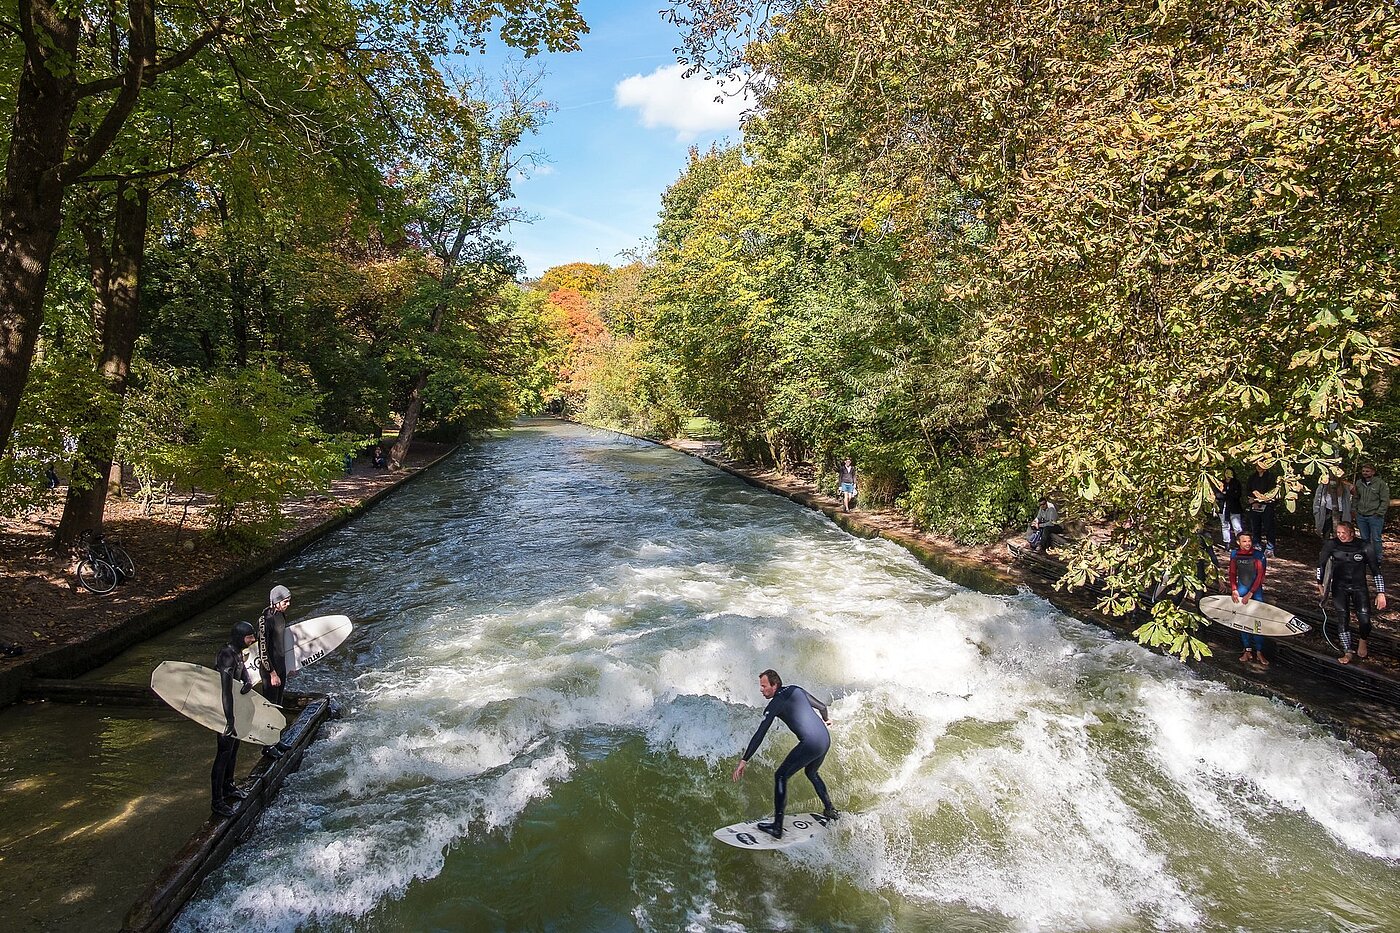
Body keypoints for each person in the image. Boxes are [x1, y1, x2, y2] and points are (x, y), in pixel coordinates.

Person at [731, 669, 839, 839]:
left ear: (774, 685)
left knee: (780, 776)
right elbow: (822, 707)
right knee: (811, 772)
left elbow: (760, 733)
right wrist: (826, 720)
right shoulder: (796, 689)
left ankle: (777, 827)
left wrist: (744, 760)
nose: (761, 689)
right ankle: (830, 809)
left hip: (810, 743)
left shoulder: (775, 703)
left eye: (764, 686)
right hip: (825, 739)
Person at [1316, 521, 1387, 664]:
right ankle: (1347, 650)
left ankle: (1363, 640)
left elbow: (1376, 570)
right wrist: (1320, 584)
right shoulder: (1332, 545)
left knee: (1364, 619)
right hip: (1339, 586)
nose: (1340, 536)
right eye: (1338, 533)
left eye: (1344, 533)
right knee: (1343, 618)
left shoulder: (1364, 546)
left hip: (1359, 587)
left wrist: (1381, 592)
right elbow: (1321, 564)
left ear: (1352, 533)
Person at [212, 621, 257, 818]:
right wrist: (229, 720)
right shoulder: (226, 656)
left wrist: (248, 680)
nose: (253, 640)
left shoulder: (238, 652)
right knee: (223, 754)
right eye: (249, 637)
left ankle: (229, 785)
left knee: (234, 750)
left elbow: (243, 669)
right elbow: (225, 691)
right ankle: (217, 801)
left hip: (234, 709)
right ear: (240, 637)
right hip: (224, 712)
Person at [256, 585, 293, 757]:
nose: (288, 604)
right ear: (276, 602)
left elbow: (282, 644)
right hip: (269, 670)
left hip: (281, 666)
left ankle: (276, 740)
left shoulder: (281, 615)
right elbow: (263, 650)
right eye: (285, 601)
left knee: (278, 706)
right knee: (270, 707)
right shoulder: (265, 620)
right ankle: (267, 746)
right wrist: (271, 673)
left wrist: (289, 666)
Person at [1223, 531, 1269, 667]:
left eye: (1249, 541)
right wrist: (1234, 589)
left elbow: (1260, 576)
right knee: (1242, 619)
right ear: (1238, 542)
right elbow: (1232, 573)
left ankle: (1259, 651)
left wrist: (1251, 593)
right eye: (1244, 541)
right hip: (1241, 589)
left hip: (1256, 591)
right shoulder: (1234, 554)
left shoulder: (1258, 555)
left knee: (1257, 622)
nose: (1247, 544)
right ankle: (1247, 650)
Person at [1350, 463, 1389, 567]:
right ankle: (1366, 557)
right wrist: (1354, 509)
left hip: (1374, 516)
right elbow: (1356, 497)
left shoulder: (1380, 484)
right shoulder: (1359, 483)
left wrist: (1379, 513)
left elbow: (1385, 500)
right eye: (1363, 471)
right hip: (1361, 515)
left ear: (1373, 472)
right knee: (1364, 538)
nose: (1365, 473)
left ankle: (1377, 559)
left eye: (1367, 471)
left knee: (1376, 538)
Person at [1245, 462, 1279, 555]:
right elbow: (1248, 490)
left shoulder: (1271, 477)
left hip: (1267, 505)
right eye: (1257, 466)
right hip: (1254, 505)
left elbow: (1273, 492)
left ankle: (1270, 548)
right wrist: (1253, 501)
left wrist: (1263, 500)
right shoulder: (1252, 477)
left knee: (1269, 527)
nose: (1259, 468)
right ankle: (1256, 545)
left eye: (1261, 466)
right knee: (1255, 526)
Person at [1216, 468, 1244, 546]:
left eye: (1230, 473)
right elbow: (1218, 495)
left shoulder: (1236, 483)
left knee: (1237, 526)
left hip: (1234, 507)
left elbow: (1237, 495)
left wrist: (1226, 494)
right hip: (1223, 507)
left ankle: (1240, 543)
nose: (1228, 475)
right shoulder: (1221, 483)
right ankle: (1226, 542)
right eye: (1226, 473)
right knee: (1225, 525)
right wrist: (1225, 495)